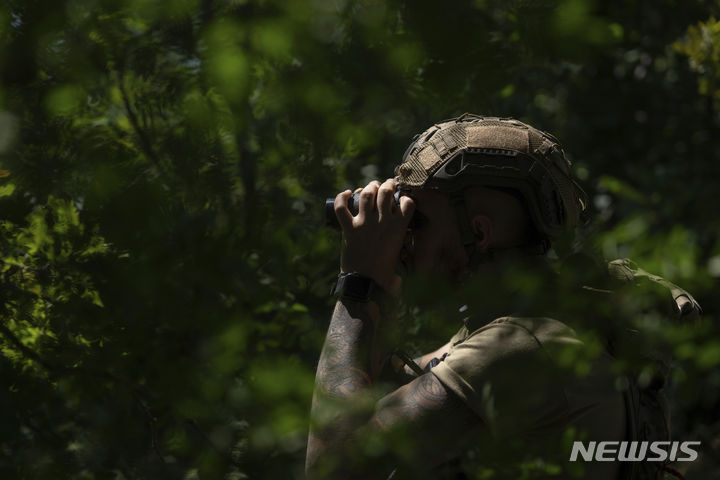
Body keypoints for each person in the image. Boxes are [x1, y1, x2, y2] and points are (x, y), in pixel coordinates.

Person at [305, 114, 700, 479]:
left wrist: (358, 283)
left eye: (417, 222)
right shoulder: (538, 323)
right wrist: (383, 283)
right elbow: (382, 388)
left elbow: (333, 467)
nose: (405, 238)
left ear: (479, 234)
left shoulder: (518, 347)